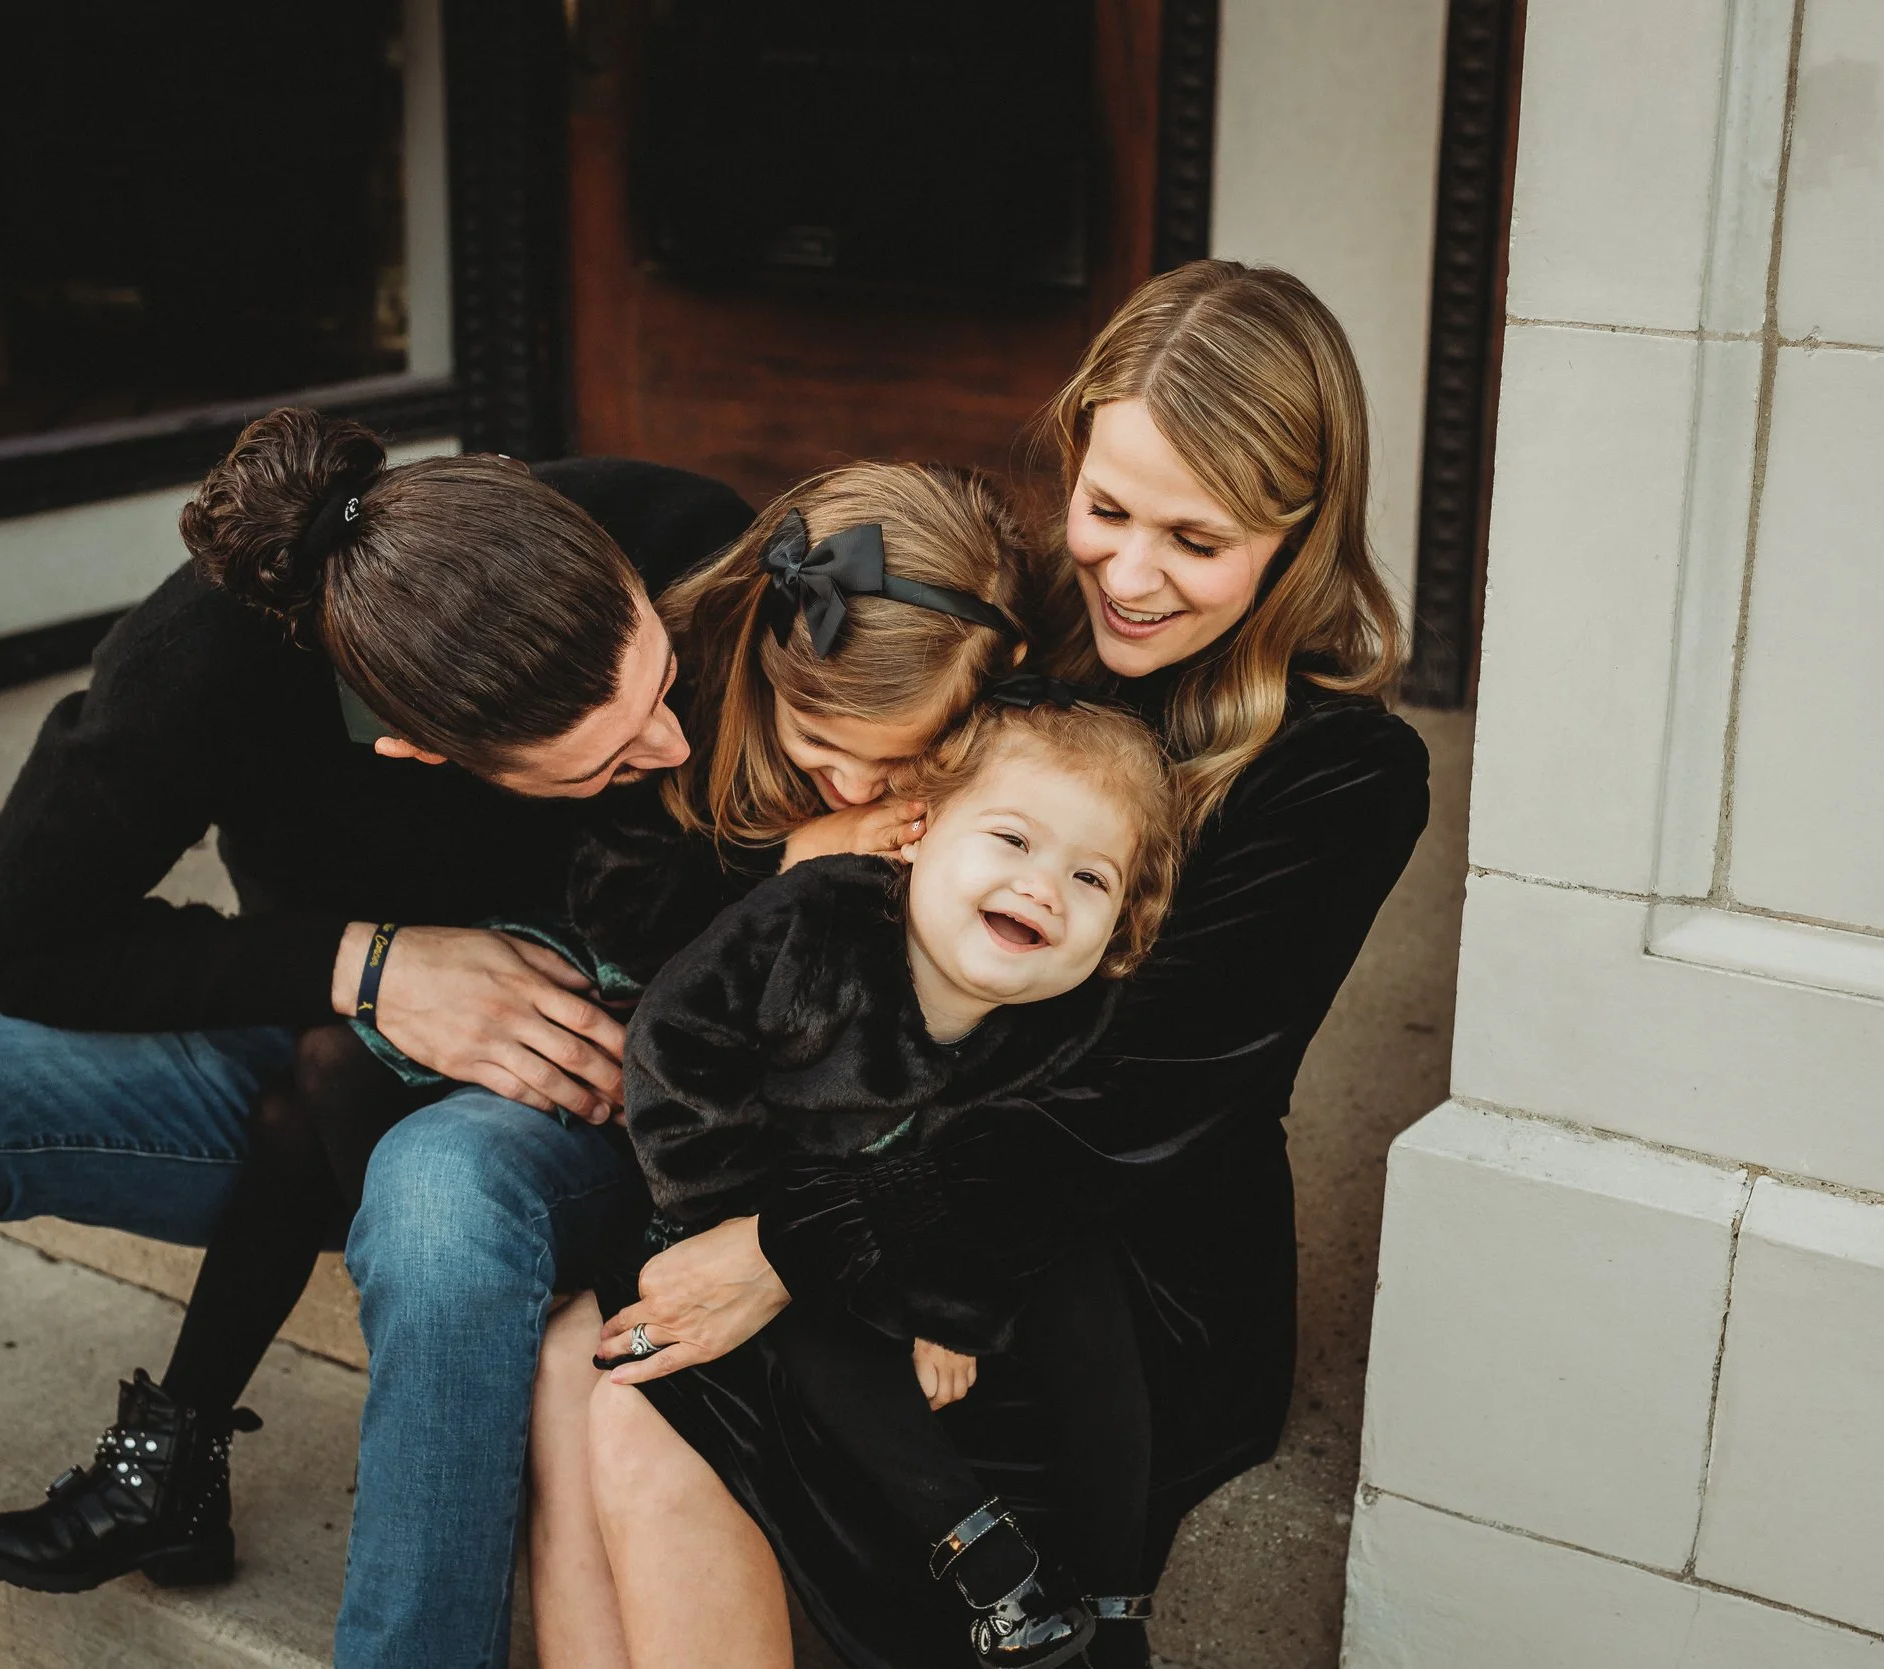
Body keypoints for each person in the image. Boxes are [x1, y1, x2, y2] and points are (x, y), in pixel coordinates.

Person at [0, 406, 753, 1669]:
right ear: (422, 751)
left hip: (572, 1093)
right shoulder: (200, 664)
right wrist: (364, 964)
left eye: (659, 690)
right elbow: (17, 939)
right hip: (320, 1045)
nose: (667, 742)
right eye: (602, 763)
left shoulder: (689, 541)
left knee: (434, 1198)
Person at [548, 258, 1433, 1669]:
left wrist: (787, 1252)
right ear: (1070, 460)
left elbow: (1132, 1106)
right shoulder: (1009, 647)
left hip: (1105, 1267)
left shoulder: (1344, 775)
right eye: (1106, 510)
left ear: (1300, 534)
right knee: (581, 1369)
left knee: (639, 1400)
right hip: (873, 1149)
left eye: (1196, 541)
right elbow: (785, 906)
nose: (1131, 576)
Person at [0, 462, 1029, 1602]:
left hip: (702, 1106)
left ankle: (186, 1442)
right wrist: (775, 881)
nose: (861, 777)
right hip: (607, 1007)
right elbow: (626, 893)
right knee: (332, 1073)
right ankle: (194, 1440)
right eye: (827, 737)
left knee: (375, 1132)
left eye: (902, 754)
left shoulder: (834, 713)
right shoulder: (700, 670)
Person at [616, 697, 1184, 1669]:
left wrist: (945, 1297)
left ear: (1123, 921)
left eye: (1088, 876)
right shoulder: (814, 925)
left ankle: (1113, 1596)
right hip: (746, 1205)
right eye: (1011, 838)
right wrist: (740, 1218)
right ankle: (991, 1565)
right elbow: (674, 1049)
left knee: (1084, 1271)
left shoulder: (1072, 1019)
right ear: (919, 831)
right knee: (809, 1310)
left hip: (917, 1221)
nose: (1041, 887)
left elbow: (1014, 1178)